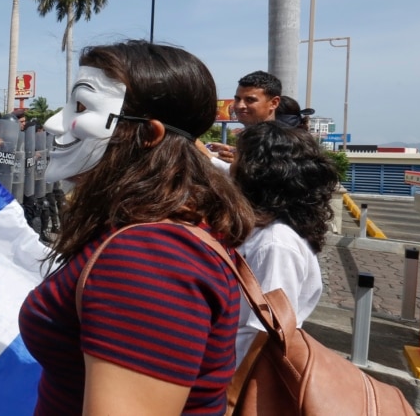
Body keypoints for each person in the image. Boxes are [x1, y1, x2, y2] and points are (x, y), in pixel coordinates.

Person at [20, 40, 255, 415]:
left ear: (149, 135)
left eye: (81, 107)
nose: (52, 123)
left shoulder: (151, 257)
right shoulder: (151, 225)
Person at [231, 121, 336, 362]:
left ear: (255, 171)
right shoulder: (268, 228)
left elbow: (267, 329)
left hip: (239, 370)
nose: (232, 165)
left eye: (239, 156)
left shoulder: (275, 243)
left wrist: (231, 395)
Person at [210, 70, 282, 165]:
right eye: (237, 99)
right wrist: (231, 151)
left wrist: (208, 156)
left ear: (274, 103)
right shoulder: (249, 137)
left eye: (250, 100)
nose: (240, 105)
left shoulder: (281, 141)